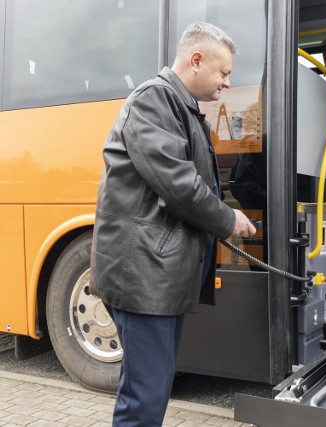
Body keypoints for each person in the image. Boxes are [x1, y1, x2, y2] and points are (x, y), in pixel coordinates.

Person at [89, 22, 256, 426]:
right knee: (145, 398)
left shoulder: (179, 107)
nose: (227, 83)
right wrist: (227, 217)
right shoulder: (153, 101)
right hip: (144, 276)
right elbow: (178, 185)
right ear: (196, 61)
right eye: (223, 72)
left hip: (156, 275)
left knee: (148, 389)